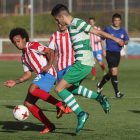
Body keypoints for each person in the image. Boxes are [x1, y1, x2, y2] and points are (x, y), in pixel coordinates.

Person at [51, 4, 124, 132]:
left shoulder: (77, 23)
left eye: (57, 20)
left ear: (62, 17)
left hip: (82, 63)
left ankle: (81, 114)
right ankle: (99, 98)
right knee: (71, 89)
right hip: (84, 63)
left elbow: (98, 32)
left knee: (58, 89)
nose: (57, 23)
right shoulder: (72, 26)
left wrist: (116, 39)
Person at [4, 27, 70, 134]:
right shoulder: (24, 57)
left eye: (18, 41)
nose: (16, 44)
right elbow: (28, 74)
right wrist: (16, 81)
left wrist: (49, 65)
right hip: (41, 77)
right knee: (28, 104)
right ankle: (49, 125)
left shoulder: (33, 45)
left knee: (32, 89)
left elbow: (50, 51)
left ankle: (60, 104)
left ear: (24, 39)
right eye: (14, 43)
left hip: (48, 73)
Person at [96, 13, 129, 98]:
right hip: (109, 53)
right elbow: (102, 39)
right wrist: (103, 50)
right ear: (113, 21)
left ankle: (99, 86)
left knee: (111, 73)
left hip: (117, 54)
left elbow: (126, 41)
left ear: (120, 21)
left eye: (118, 20)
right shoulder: (108, 29)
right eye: (115, 20)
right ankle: (117, 93)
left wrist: (123, 42)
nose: (116, 22)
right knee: (115, 71)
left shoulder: (122, 30)